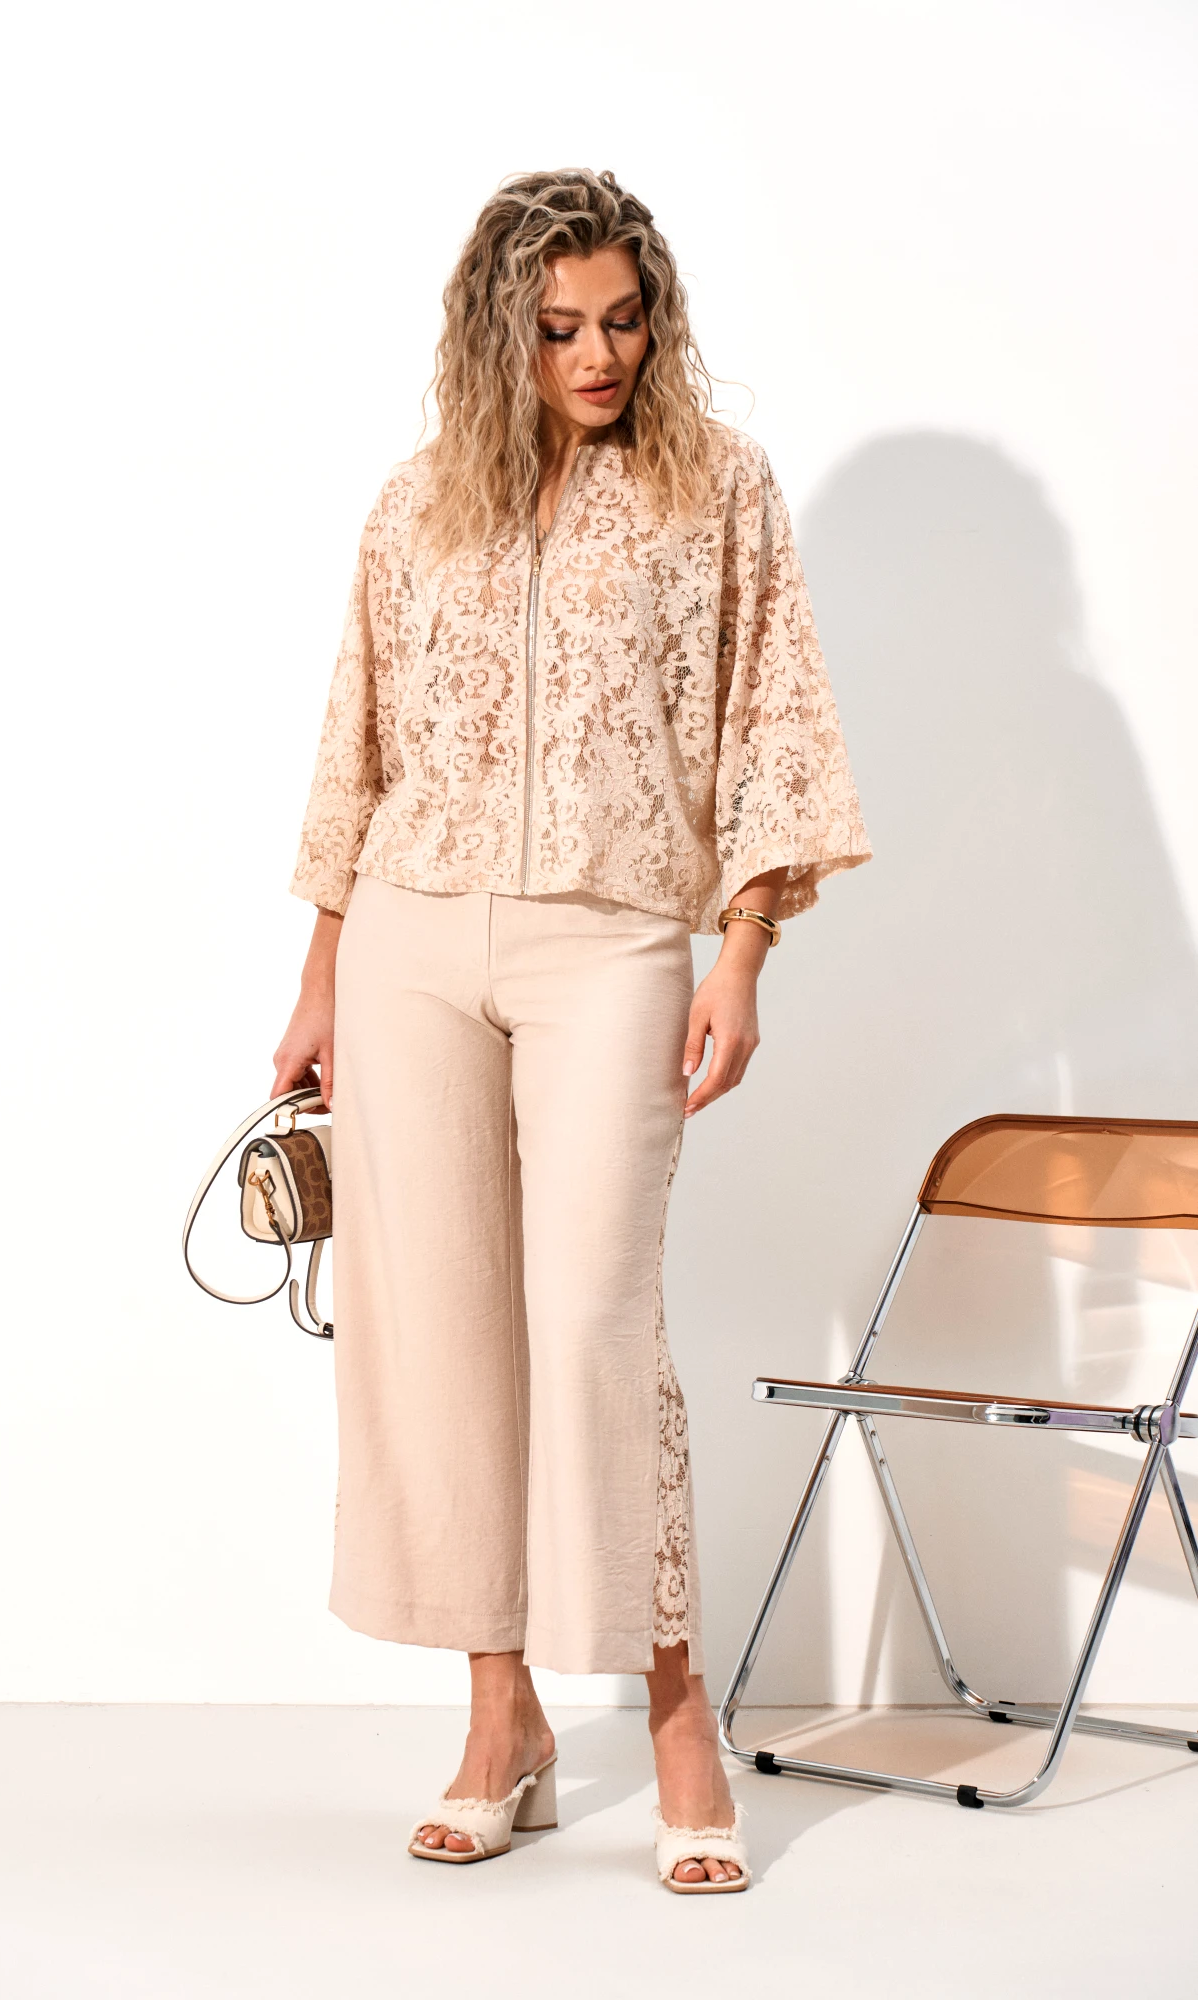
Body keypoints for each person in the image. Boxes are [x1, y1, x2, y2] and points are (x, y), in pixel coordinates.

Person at [273, 168, 869, 1893]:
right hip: (411, 936)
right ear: (498, 336)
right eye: (556, 329)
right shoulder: (416, 505)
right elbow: (357, 746)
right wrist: (319, 978)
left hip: (612, 936)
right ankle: (502, 1720)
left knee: (595, 1320)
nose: (597, 356)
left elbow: (772, 726)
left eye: (621, 321)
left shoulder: (716, 490)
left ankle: (677, 1714)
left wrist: (742, 953)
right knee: (444, 1331)